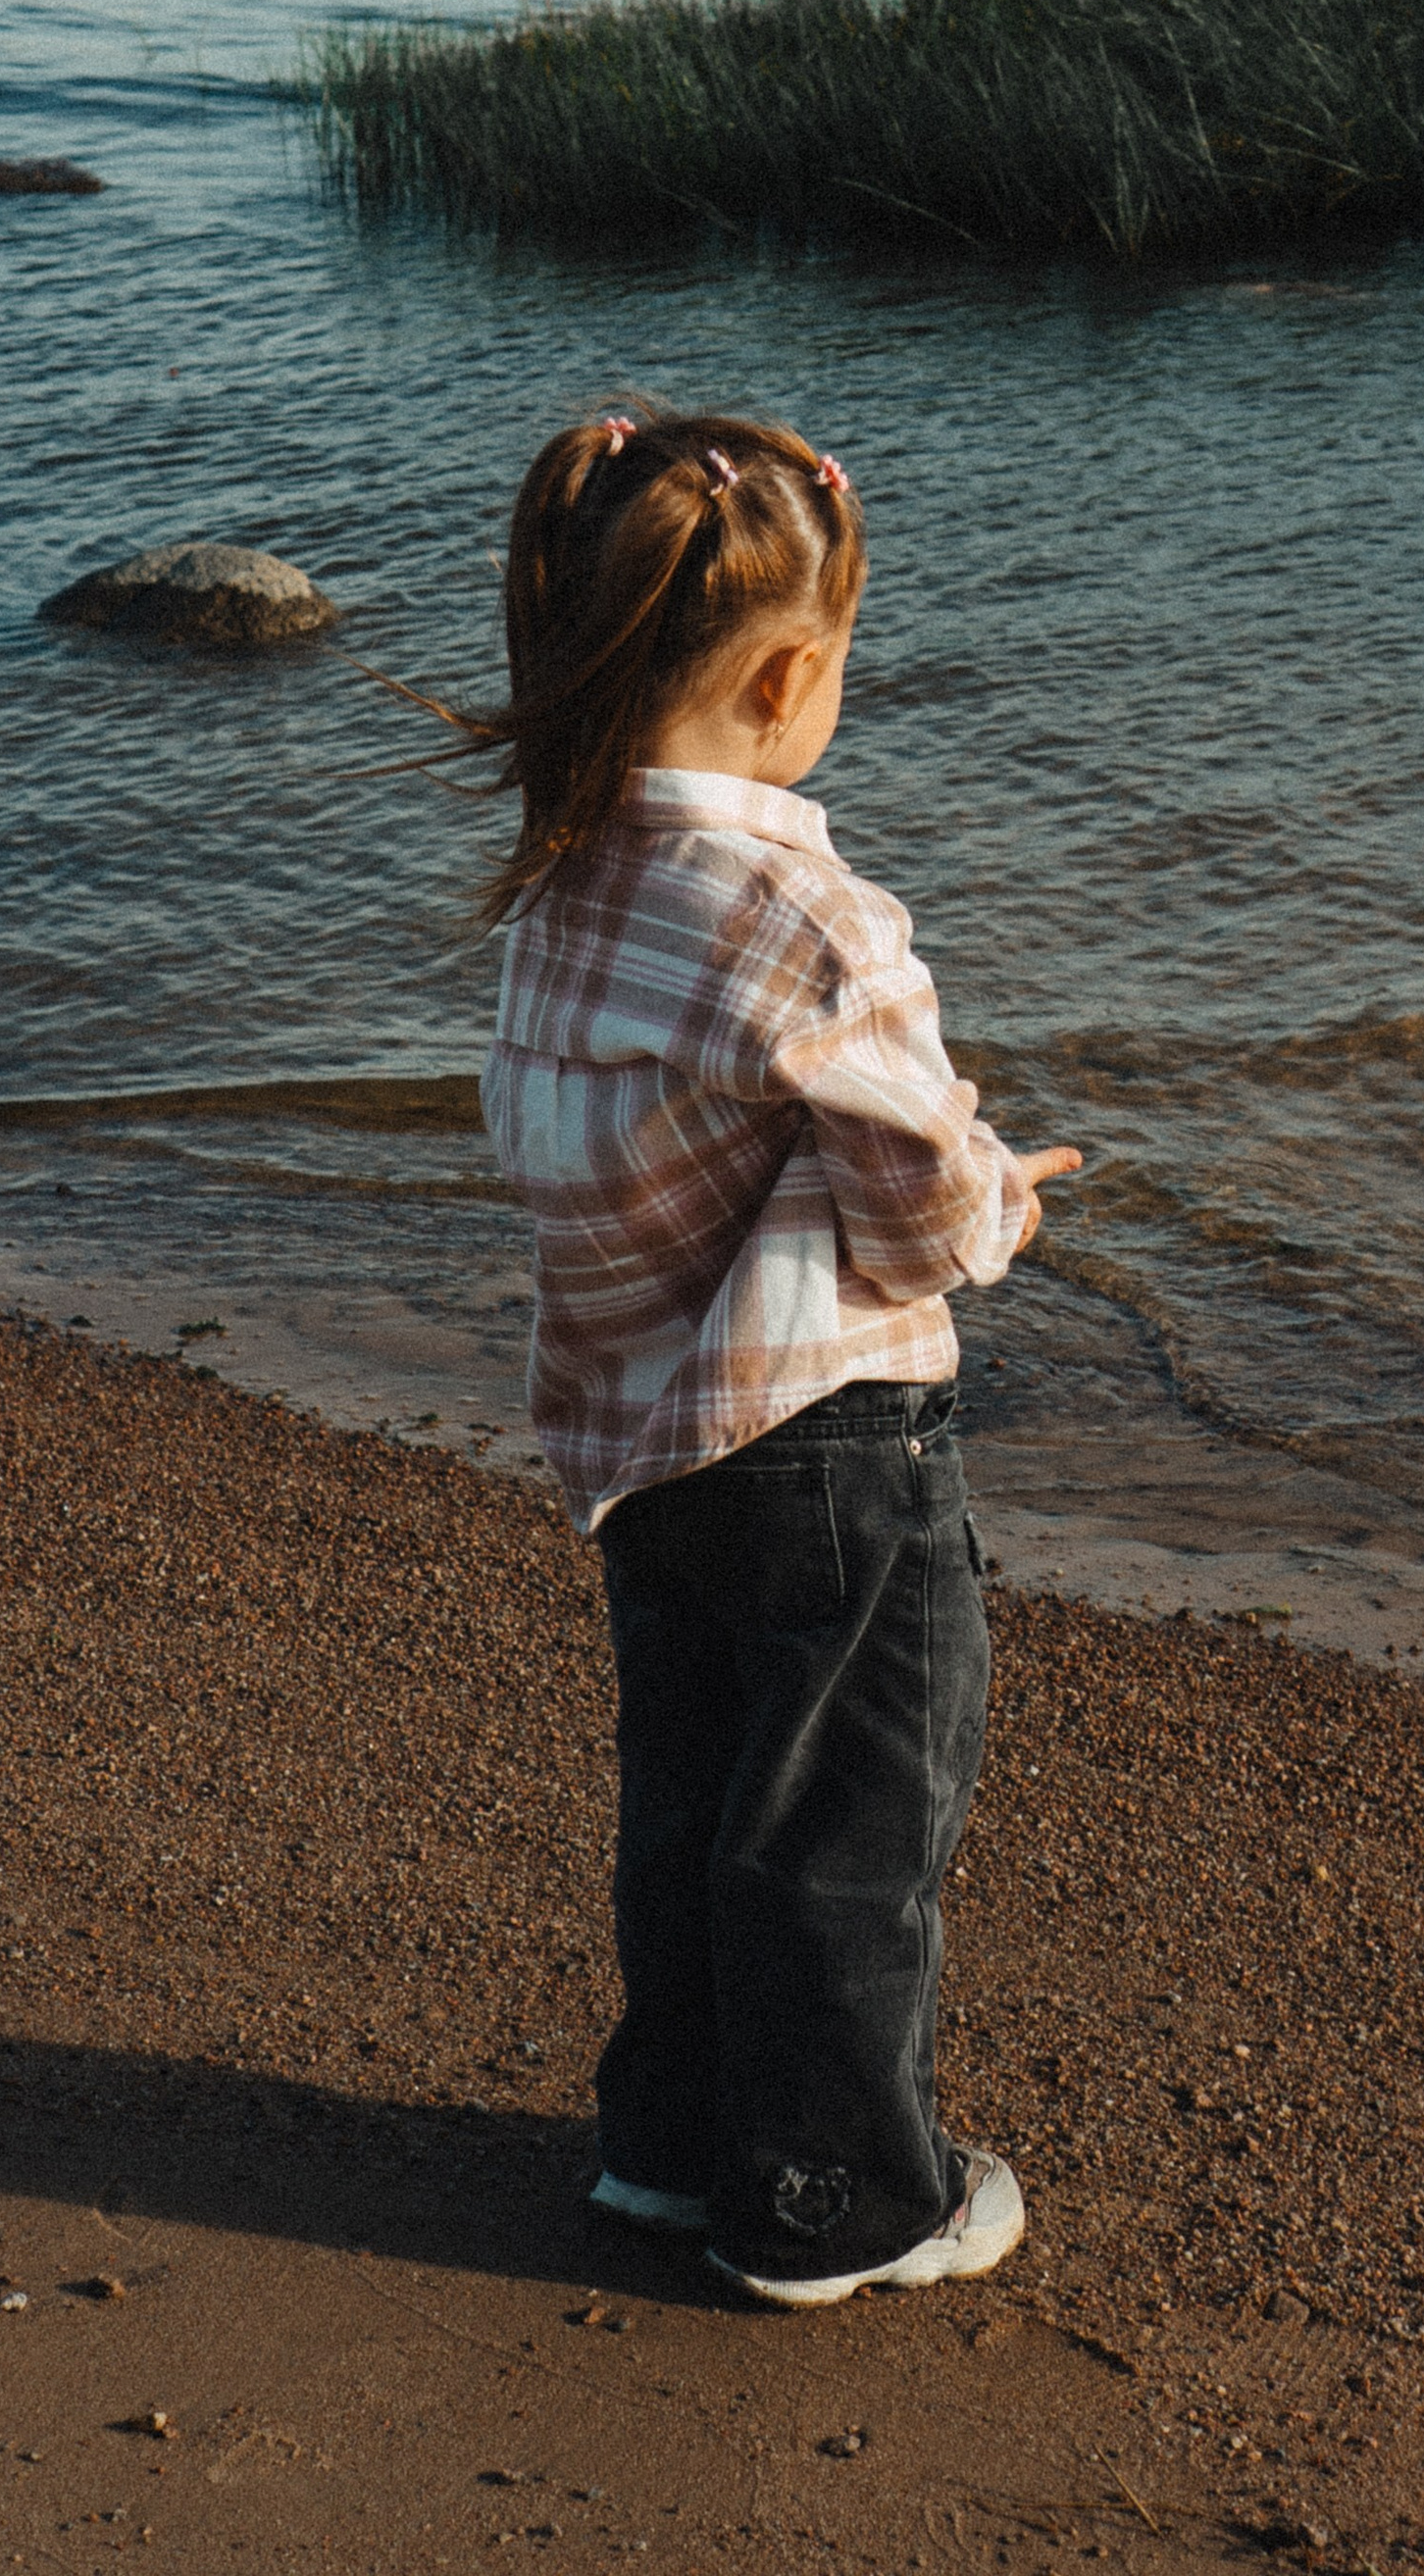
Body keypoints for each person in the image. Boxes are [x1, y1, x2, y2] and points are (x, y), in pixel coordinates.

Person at [470, 404, 1082, 2305]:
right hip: (830, 1443)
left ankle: (671, 2141)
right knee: (842, 1824)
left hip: (645, 1436)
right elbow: (909, 1188)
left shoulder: (558, 884)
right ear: (792, 674)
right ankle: (829, 2198)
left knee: (694, 1794)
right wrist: (999, 1207)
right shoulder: (801, 913)